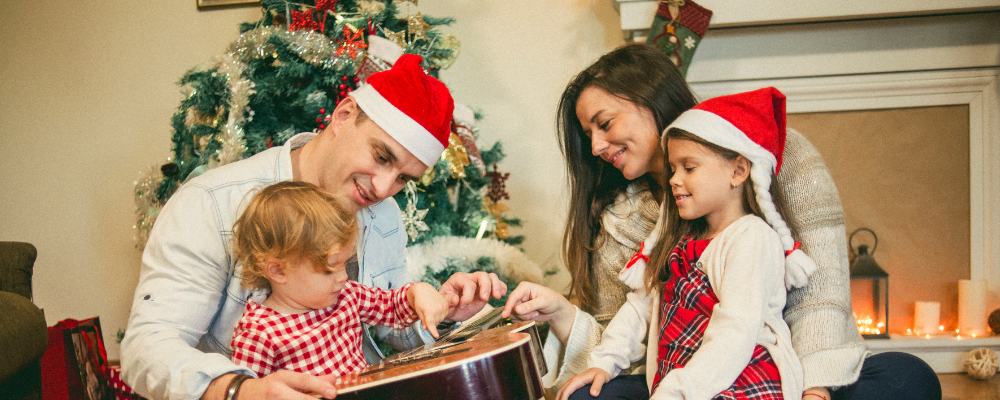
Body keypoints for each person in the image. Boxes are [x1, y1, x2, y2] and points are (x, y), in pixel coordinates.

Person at [502, 43, 940, 400]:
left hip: (770, 374)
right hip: (675, 377)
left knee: (907, 377)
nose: (596, 146)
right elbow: (631, 321)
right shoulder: (634, 225)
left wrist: (814, 391)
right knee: (586, 397)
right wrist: (565, 317)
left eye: (604, 123)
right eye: (588, 136)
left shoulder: (775, 171)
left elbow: (817, 298)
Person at [122, 54, 507, 400]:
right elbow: (147, 348)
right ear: (343, 115)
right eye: (381, 156)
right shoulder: (212, 203)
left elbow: (381, 329)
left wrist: (442, 309)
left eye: (404, 178)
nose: (383, 188)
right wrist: (240, 390)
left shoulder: (384, 216)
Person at [558, 87, 809, 400]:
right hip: (681, 389)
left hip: (740, 383)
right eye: (673, 169)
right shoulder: (679, 242)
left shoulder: (752, 238)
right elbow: (639, 309)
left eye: (689, 168)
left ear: (738, 170)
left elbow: (736, 331)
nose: (674, 180)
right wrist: (604, 362)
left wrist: (678, 392)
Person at [229, 181, 449, 380]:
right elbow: (250, 392)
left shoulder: (346, 295)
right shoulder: (259, 334)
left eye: (345, 263)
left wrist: (416, 293)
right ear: (278, 271)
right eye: (329, 270)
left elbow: (391, 306)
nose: (343, 276)